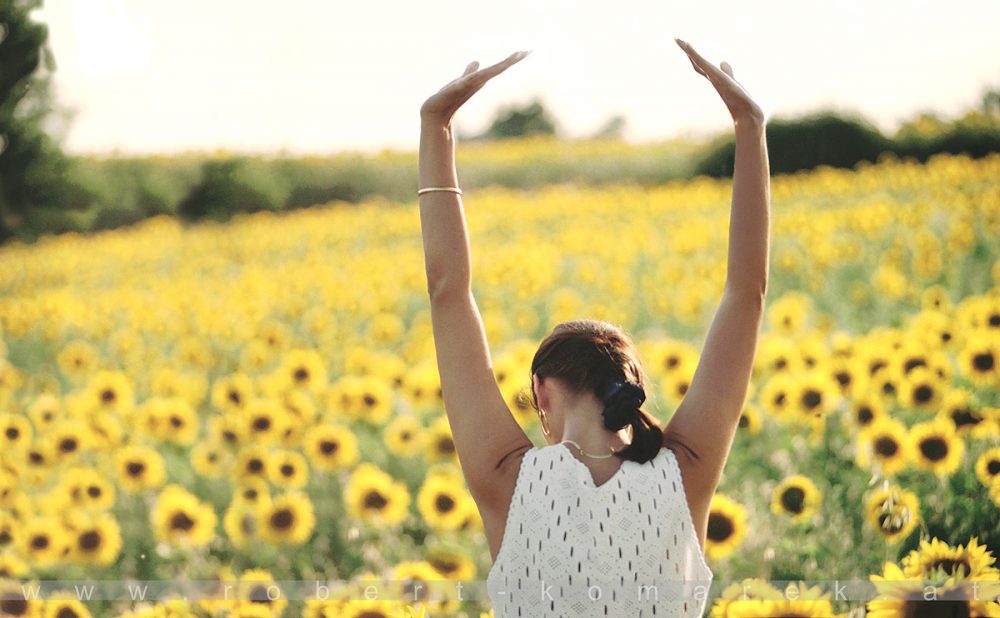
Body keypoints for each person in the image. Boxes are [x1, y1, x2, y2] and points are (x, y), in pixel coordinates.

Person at [417, 38, 770, 617]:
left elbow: (447, 293)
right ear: (629, 395)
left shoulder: (511, 483)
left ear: (542, 394)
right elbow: (747, 294)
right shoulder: (682, 476)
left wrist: (437, 129)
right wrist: (750, 129)